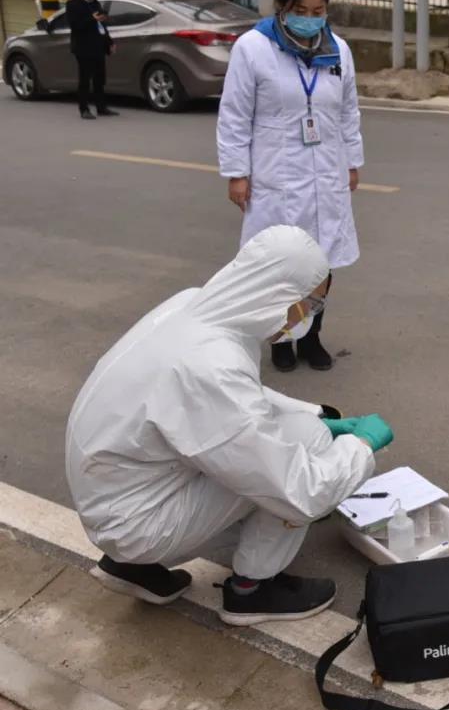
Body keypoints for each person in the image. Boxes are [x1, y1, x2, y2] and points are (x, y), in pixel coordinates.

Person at [65, 226, 394, 626]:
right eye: (309, 303)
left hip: (115, 494)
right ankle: (252, 591)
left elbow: (239, 397)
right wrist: (360, 446)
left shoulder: (192, 306)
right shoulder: (210, 366)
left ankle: (131, 568)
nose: (308, 315)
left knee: (304, 429)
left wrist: (315, 413)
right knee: (307, 447)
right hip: (135, 524)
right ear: (277, 295)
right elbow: (300, 491)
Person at [217, 0, 363, 374]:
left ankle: (312, 335)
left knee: (321, 262)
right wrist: (237, 173)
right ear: (282, 6)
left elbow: (348, 111)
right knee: (280, 263)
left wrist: (352, 162)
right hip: (276, 177)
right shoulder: (253, 48)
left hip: (326, 174)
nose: (310, 19)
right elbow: (234, 114)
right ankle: (282, 339)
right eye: (302, 11)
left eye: (319, 12)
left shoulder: (338, 50)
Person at [65, 0, 117, 120]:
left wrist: (109, 42)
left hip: (98, 45)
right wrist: (91, 19)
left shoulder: (94, 2)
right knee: (85, 79)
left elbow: (101, 26)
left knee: (99, 78)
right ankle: (84, 109)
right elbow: (75, 26)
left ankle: (101, 107)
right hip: (83, 47)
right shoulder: (73, 4)